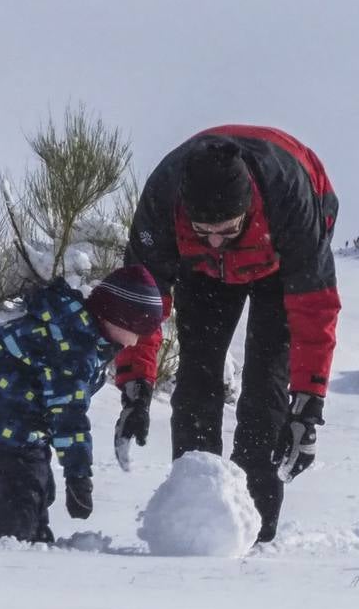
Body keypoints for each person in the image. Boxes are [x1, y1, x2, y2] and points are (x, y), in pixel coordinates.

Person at [112, 125, 340, 543]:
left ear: (248, 208)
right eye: (205, 230)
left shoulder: (288, 197)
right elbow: (142, 304)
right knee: (198, 376)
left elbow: (315, 311)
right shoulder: (162, 203)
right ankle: (193, 507)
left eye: (227, 230)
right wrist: (135, 388)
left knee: (266, 380)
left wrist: (307, 410)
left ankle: (252, 520)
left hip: (278, 263)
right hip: (199, 272)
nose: (217, 241)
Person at [0, 266, 164, 542]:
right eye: (137, 330)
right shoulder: (72, 344)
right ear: (116, 317)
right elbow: (68, 415)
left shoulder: (80, 333)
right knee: (25, 488)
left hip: (18, 416)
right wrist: (78, 476)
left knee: (39, 484)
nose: (138, 340)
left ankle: (32, 538)